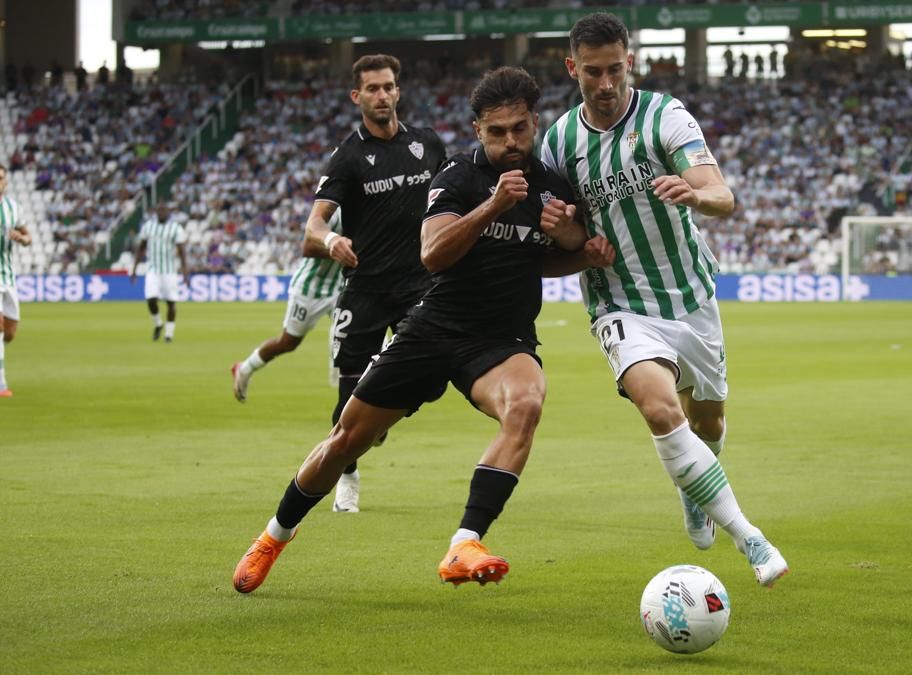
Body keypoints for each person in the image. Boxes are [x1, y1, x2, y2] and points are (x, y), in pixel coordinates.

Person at [231, 66, 611, 594]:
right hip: (434, 327)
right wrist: (494, 204)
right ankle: (274, 536)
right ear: (478, 130)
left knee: (525, 404)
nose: (511, 142)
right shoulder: (458, 176)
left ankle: (465, 542)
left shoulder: (553, 187)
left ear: (534, 123)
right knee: (346, 439)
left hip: (502, 340)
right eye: (497, 132)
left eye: (520, 129)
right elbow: (433, 254)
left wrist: (580, 247)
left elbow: (548, 257)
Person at [539, 13, 788, 587]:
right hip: (618, 301)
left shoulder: (664, 114)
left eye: (616, 69)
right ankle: (751, 538)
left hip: (690, 295)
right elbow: (564, 234)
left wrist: (695, 194)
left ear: (631, 60)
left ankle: (695, 492)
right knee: (659, 410)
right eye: (593, 72)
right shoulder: (558, 143)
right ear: (572, 68)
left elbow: (722, 195)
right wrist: (565, 231)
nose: (606, 84)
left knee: (710, 419)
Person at [298, 54, 448, 513]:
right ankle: (348, 475)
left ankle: (385, 410)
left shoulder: (429, 145)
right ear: (356, 96)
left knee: (435, 378)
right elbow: (312, 228)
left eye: (388, 87)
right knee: (347, 399)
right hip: (364, 290)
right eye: (372, 89)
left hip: (420, 285)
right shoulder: (347, 157)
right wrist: (332, 240)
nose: (381, 95)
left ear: (398, 91)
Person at [232, 209, 344, 404]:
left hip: (341, 288)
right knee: (288, 342)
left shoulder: (371, 207)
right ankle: (244, 369)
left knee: (359, 336)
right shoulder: (335, 212)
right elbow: (308, 246)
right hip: (310, 288)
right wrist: (341, 247)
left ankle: (362, 403)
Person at [130, 203, 189, 343]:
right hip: (152, 269)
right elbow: (141, 248)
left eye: (164, 210)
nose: (162, 212)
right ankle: (157, 323)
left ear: (168, 212)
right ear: (155, 212)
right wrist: (134, 269)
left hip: (169, 270)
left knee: (171, 302)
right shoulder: (148, 227)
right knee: (151, 299)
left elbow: (182, 252)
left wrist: (185, 273)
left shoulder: (176, 228)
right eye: (159, 210)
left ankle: (169, 334)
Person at [0, 166, 32, 398]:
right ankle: (1, 384)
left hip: (8, 277)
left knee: (9, 332)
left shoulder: (13, 208)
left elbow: (28, 237)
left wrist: (22, 238)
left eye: (1, 179)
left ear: (6, 182)